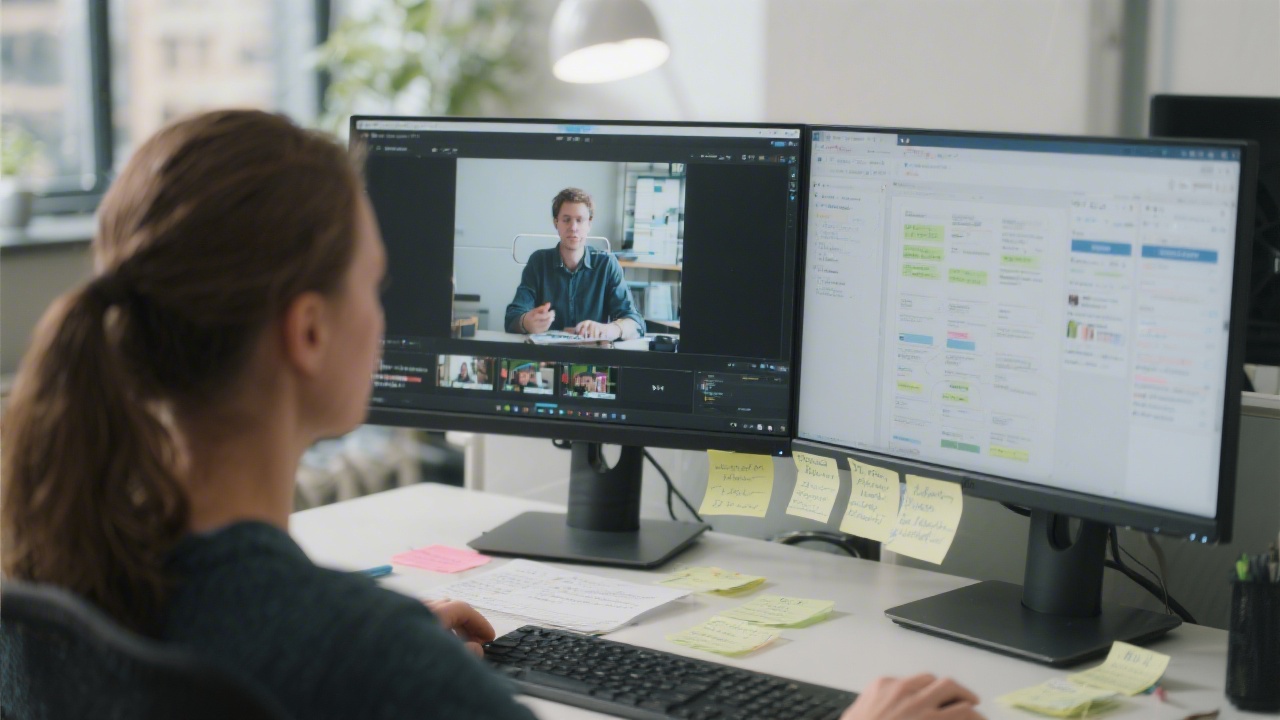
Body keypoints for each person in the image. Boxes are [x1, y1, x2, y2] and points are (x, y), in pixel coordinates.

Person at [0, 110, 983, 720]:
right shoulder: (360, 656)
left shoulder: (46, 573)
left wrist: (394, 648)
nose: (386, 316)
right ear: (307, 332)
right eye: (375, 286)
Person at [504, 187, 646, 341]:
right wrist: (526, 322)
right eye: (566, 220)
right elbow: (511, 318)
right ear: (556, 223)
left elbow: (637, 323)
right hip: (547, 355)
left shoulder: (607, 264)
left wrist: (609, 329)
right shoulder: (538, 262)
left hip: (593, 354)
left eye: (580, 220)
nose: (573, 227)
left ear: (589, 224)